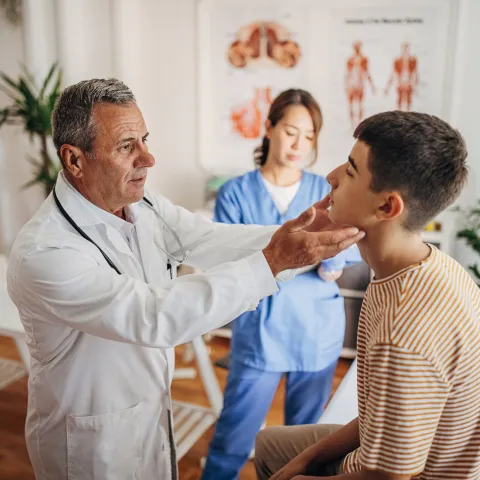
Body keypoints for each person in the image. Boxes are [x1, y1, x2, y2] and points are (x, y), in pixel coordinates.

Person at [6, 78, 364, 480]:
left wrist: (290, 237)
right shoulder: (46, 253)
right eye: (127, 146)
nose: (149, 158)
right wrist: (273, 261)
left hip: (148, 417)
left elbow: (210, 238)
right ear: (74, 160)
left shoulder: (143, 206)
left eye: (145, 139)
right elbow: (153, 316)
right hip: (90, 444)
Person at [254, 111, 480, 480]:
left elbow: (389, 476)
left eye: (351, 170)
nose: (331, 177)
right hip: (386, 451)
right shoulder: (428, 266)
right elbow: (383, 411)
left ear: (387, 207)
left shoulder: (403, 334)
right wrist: (305, 460)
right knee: (270, 445)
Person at [202, 89, 362, 480]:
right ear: (269, 128)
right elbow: (225, 258)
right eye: (291, 131)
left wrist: (336, 256)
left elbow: (353, 246)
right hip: (260, 335)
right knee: (232, 439)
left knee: (303, 448)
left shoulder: (327, 191)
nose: (299, 145)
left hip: (316, 333)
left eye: (309, 137)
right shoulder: (236, 193)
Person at [345, 42, 375, 129]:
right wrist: (347, 86)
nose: (357, 48)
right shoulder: (350, 59)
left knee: (360, 104)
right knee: (351, 105)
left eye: (358, 47)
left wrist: (372, 85)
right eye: (355, 47)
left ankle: (359, 124)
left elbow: (367, 72)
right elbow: (348, 74)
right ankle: (352, 124)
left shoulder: (364, 59)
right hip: (352, 84)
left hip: (360, 84)